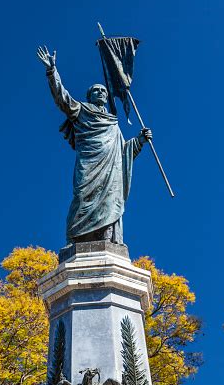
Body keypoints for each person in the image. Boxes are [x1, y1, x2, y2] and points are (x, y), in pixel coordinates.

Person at [37, 45, 152, 245]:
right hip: (89, 164)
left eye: (103, 91)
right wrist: (51, 71)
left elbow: (123, 151)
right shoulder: (81, 110)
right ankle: (77, 239)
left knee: (110, 200)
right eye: (95, 90)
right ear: (89, 96)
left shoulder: (113, 122)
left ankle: (108, 238)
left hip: (111, 170)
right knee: (82, 197)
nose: (100, 92)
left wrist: (140, 140)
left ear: (107, 97)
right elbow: (62, 98)